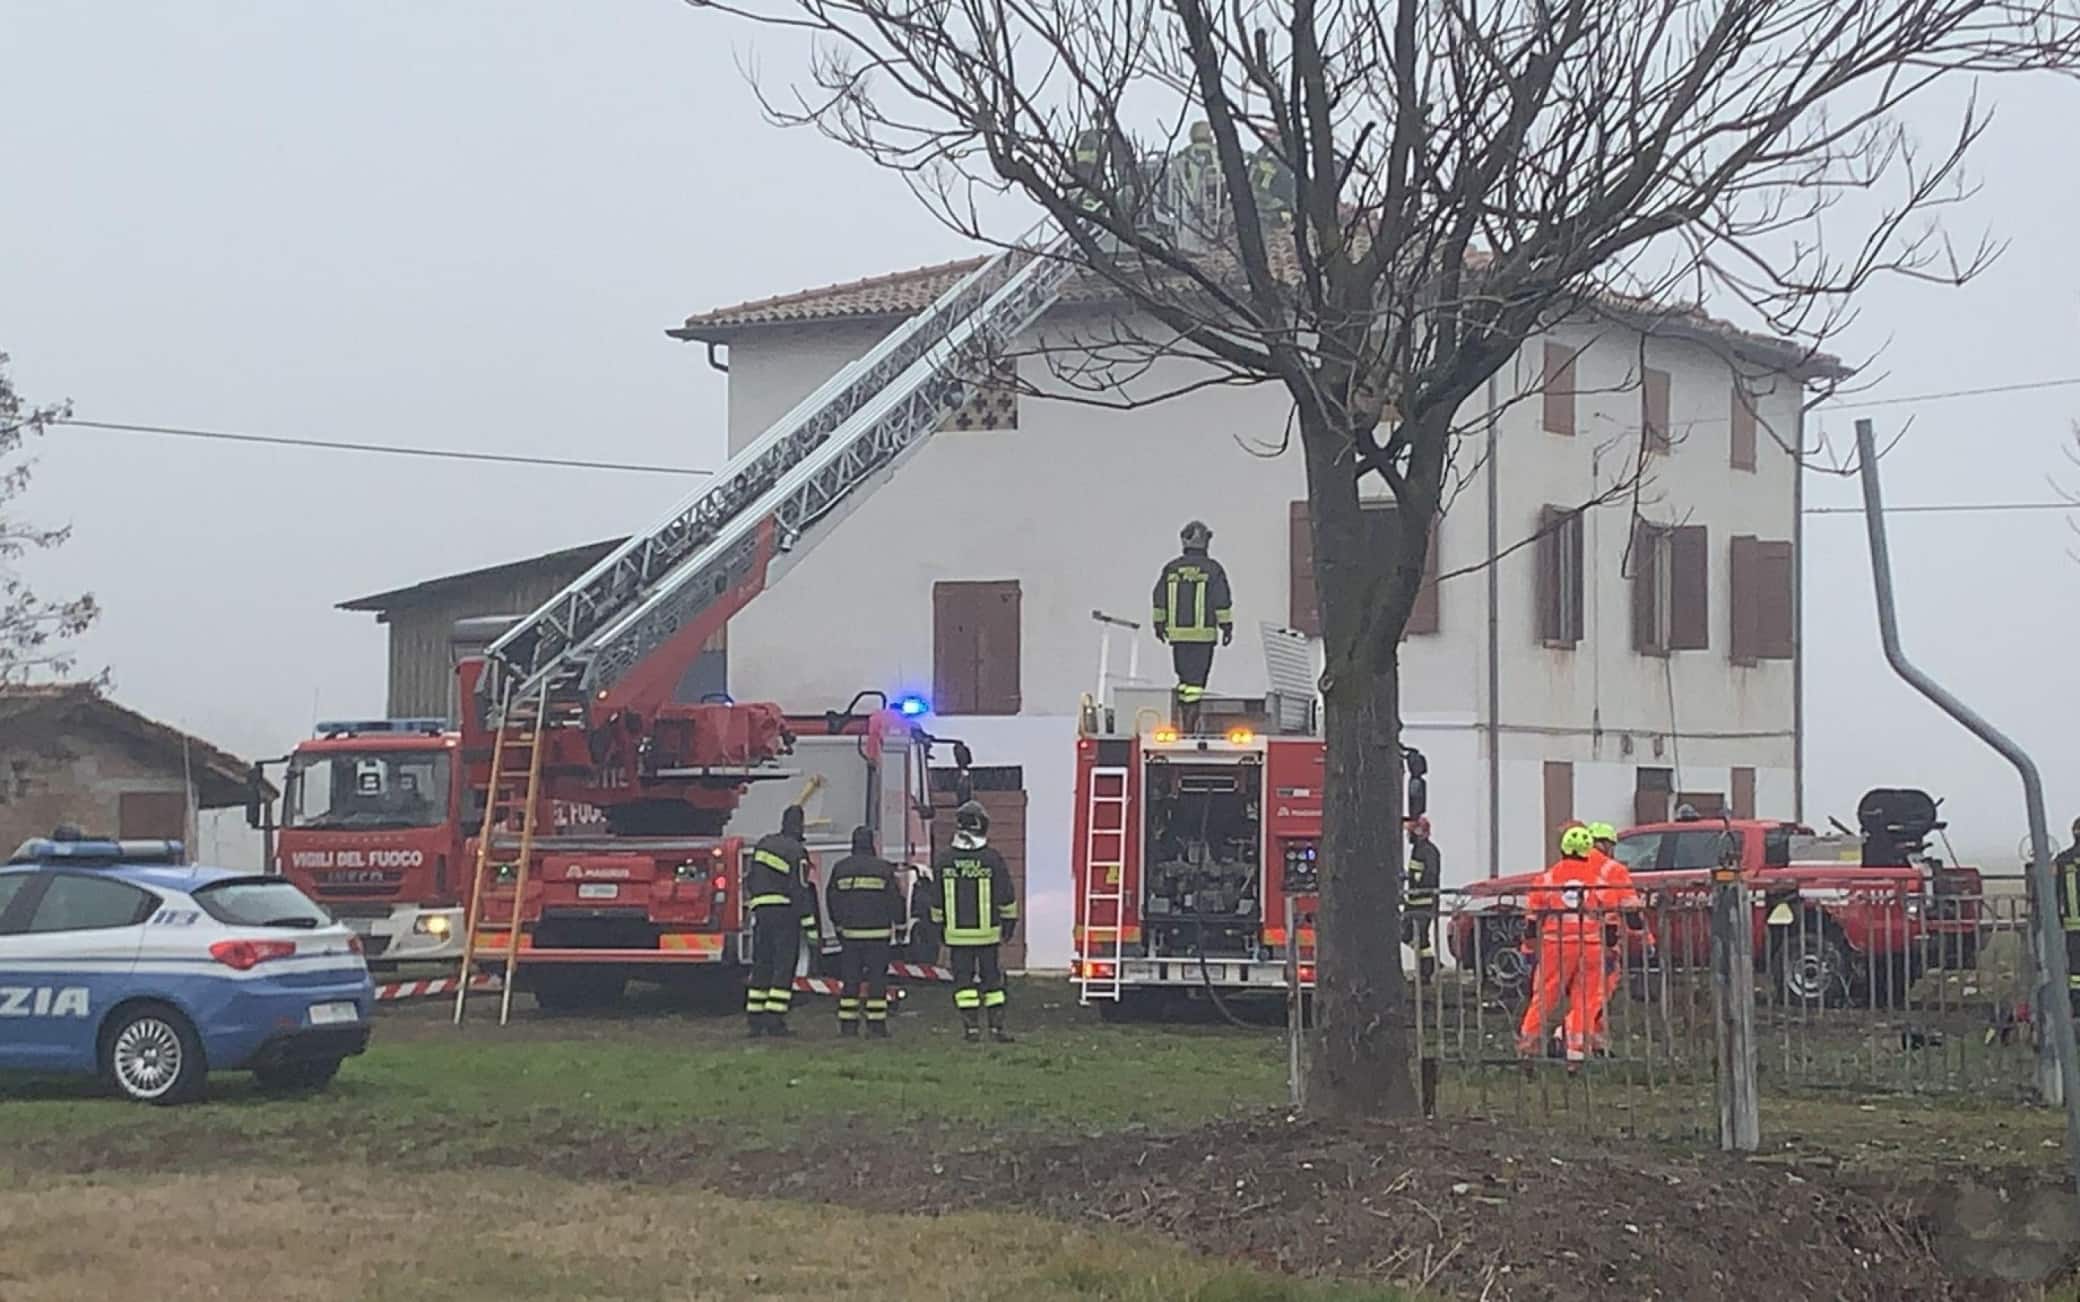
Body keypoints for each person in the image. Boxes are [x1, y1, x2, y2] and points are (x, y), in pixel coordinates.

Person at [1517, 824, 1606, 1064]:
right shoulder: (1598, 880)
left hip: (1555, 946)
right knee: (1586, 1000)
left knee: (1544, 997)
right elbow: (1613, 916)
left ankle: (1528, 1047)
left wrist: (1528, 946)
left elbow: (1533, 918)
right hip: (1590, 946)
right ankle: (1576, 1053)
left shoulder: (1548, 878)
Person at [932, 800, 1019, 1043]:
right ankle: (996, 1029)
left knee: (964, 982)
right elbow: (1007, 895)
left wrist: (939, 928)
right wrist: (1010, 924)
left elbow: (936, 900)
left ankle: (970, 1029)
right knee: (993, 981)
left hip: (956, 937)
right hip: (988, 936)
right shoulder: (992, 859)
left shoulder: (944, 860)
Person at [1152, 520, 1234, 733]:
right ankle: (1190, 719)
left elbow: (1159, 597)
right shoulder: (1213, 569)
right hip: (1203, 637)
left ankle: (1184, 713)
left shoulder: (1171, 569)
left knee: (1184, 678)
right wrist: (1226, 627)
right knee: (1196, 682)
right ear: (1205, 542)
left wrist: (1159, 624)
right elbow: (1221, 599)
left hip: (1178, 636)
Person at [744, 805, 817, 1037]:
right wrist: (811, 930)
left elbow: (750, 878)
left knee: (762, 965)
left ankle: (754, 1021)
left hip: (761, 912)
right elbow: (800, 890)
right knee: (783, 967)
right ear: (800, 825)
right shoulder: (796, 851)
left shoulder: (764, 844)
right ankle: (775, 1021)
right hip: (784, 915)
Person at [827, 825, 903, 1039]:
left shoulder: (841, 868)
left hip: (850, 935)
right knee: (877, 981)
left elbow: (832, 899)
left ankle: (848, 1026)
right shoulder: (884, 869)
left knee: (850, 981)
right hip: (879, 935)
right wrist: (900, 925)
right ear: (872, 844)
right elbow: (895, 899)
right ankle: (876, 1025)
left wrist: (838, 924)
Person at [1585, 821, 1652, 1053]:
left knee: (1583, 994)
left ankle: (1597, 1043)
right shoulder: (1614, 870)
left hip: (1566, 942)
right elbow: (1631, 909)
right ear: (1607, 845)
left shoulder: (1570, 867)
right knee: (1599, 994)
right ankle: (1569, 1036)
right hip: (1604, 940)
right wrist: (1645, 939)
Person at [1403, 816, 1440, 984]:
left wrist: (1417, 882)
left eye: (1410, 832)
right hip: (1414, 903)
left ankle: (1427, 971)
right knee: (1407, 935)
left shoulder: (1428, 851)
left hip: (1424, 903)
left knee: (1421, 938)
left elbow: (1429, 875)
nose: (1408, 836)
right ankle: (1429, 966)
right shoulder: (1418, 850)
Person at [2055, 817, 2080, 1015]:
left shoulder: (2063, 860)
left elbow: (2052, 893)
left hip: (2073, 929)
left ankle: (2077, 1012)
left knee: (2076, 975)